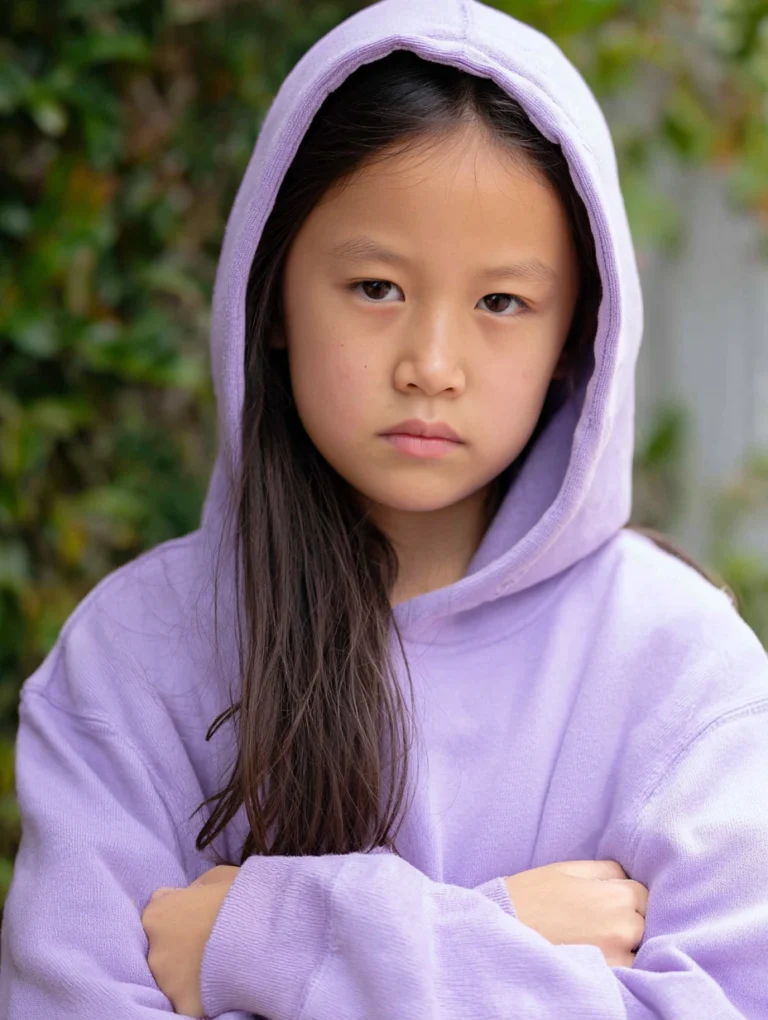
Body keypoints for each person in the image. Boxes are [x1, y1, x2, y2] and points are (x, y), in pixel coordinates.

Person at [1, 1, 767, 1017]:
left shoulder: (680, 669)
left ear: (573, 336)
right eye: (374, 287)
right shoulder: (134, 661)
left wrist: (269, 940)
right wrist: (514, 933)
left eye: (502, 303)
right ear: (273, 298)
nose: (432, 367)